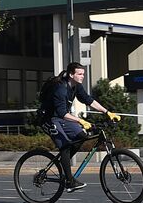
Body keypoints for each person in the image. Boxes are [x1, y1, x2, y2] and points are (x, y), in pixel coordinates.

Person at [42, 62, 118, 191]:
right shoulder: (60, 89)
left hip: (63, 118)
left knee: (81, 136)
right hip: (49, 119)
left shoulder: (76, 86)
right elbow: (62, 113)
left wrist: (107, 112)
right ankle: (69, 180)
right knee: (65, 146)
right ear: (71, 74)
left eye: (83, 74)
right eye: (80, 74)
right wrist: (80, 121)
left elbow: (88, 100)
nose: (82, 76)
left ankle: (63, 163)